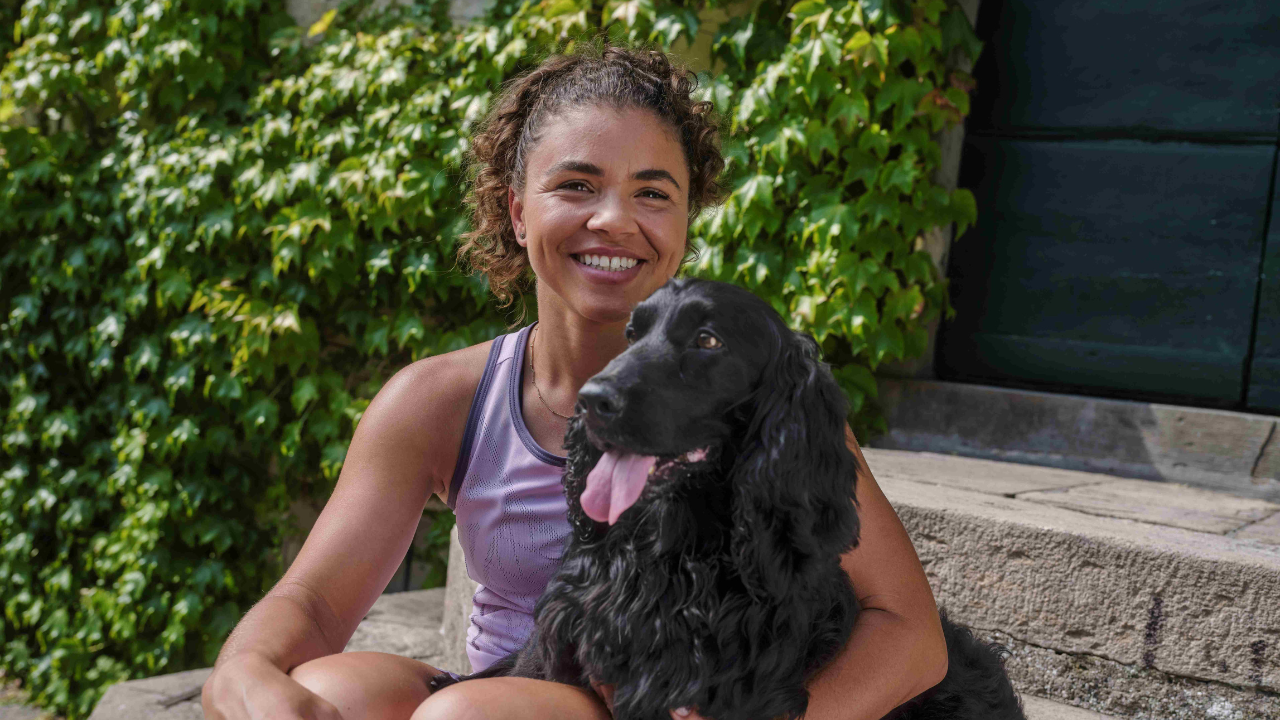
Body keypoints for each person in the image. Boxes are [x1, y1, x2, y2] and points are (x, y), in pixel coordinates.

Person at [201, 45, 948, 720]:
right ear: (518, 213)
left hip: (667, 704)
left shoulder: (751, 397)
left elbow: (909, 634)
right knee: (330, 696)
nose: (615, 219)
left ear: (687, 218)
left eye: (653, 193)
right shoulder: (442, 403)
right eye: (577, 185)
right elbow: (313, 599)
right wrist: (245, 667)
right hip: (516, 687)